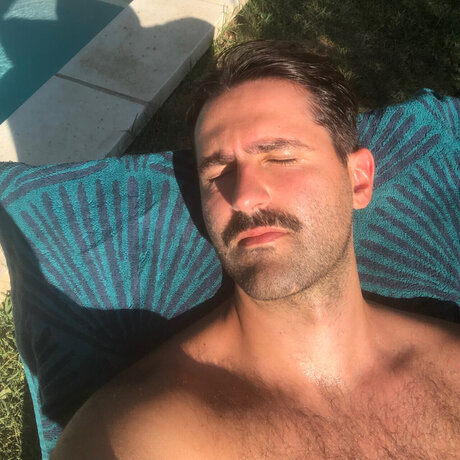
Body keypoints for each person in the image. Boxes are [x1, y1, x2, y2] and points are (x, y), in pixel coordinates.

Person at [52, 40, 460, 459]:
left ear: (358, 180)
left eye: (280, 158)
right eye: (218, 172)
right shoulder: (138, 432)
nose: (243, 197)